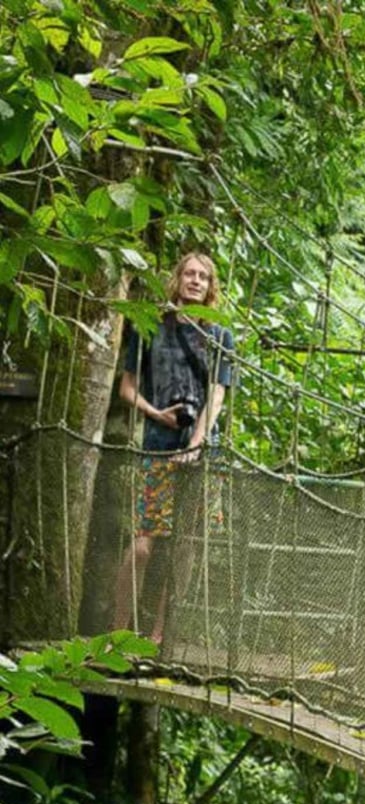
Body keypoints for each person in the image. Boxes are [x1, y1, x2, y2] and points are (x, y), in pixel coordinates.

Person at [111, 252, 236, 643]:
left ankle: (160, 635)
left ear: (210, 285)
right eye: (189, 273)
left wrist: (197, 445)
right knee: (144, 546)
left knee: (184, 545)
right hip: (158, 445)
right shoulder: (151, 327)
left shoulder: (220, 335)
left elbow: (217, 396)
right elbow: (127, 387)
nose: (196, 280)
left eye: (203, 276)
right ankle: (116, 633)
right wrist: (157, 414)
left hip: (203, 454)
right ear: (177, 279)